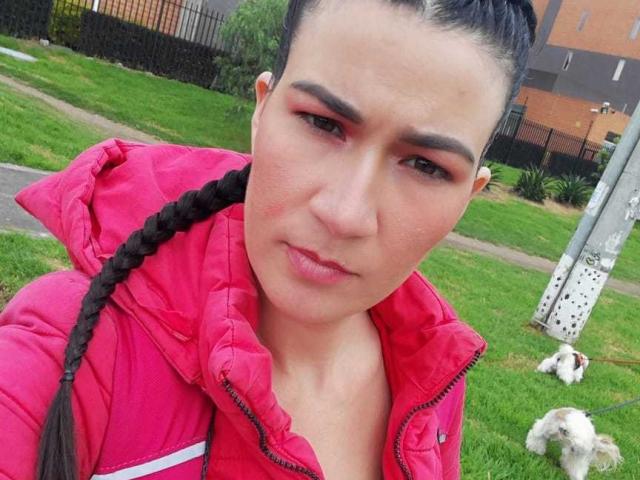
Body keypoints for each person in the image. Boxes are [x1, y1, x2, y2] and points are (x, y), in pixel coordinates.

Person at [0, 0, 536, 479]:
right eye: (323, 124)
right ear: (263, 109)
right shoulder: (75, 344)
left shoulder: (434, 372)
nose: (345, 214)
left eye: (426, 165)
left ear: (469, 195)